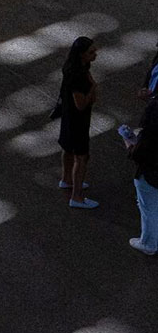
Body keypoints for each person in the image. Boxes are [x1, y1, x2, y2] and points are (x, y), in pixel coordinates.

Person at [57, 36, 99, 208]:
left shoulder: (72, 67)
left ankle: (66, 179)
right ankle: (77, 196)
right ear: (82, 54)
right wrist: (93, 90)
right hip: (78, 121)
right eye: (91, 52)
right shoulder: (78, 76)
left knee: (68, 149)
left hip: (67, 116)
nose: (95, 54)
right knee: (81, 157)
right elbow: (81, 104)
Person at [120, 94, 158, 254]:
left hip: (150, 173)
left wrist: (128, 142)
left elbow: (138, 154)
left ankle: (149, 243)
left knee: (149, 209)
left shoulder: (149, 134)